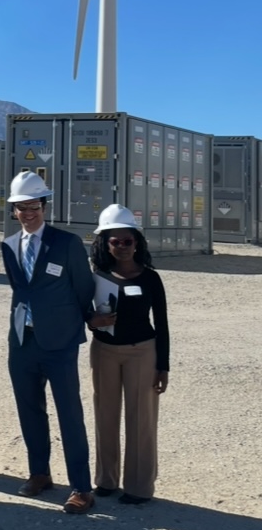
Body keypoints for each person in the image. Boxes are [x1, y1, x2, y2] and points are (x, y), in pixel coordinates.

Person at [1, 171, 95, 514]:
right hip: (23, 342)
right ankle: (39, 473)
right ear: (13, 210)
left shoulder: (66, 243)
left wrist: (83, 323)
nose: (28, 213)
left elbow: (83, 288)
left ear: (44, 205)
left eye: (34, 206)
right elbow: (19, 290)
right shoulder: (9, 246)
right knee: (30, 412)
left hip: (60, 342)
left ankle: (82, 487)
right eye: (21, 207)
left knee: (69, 413)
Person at [87, 204, 170, 505]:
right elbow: (83, 310)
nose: (122, 247)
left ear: (138, 242)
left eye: (128, 241)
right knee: (105, 415)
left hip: (142, 353)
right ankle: (106, 481)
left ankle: (138, 487)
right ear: (104, 244)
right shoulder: (97, 276)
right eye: (115, 241)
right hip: (105, 352)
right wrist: (91, 321)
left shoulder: (150, 278)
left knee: (141, 420)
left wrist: (163, 365)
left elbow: (162, 323)